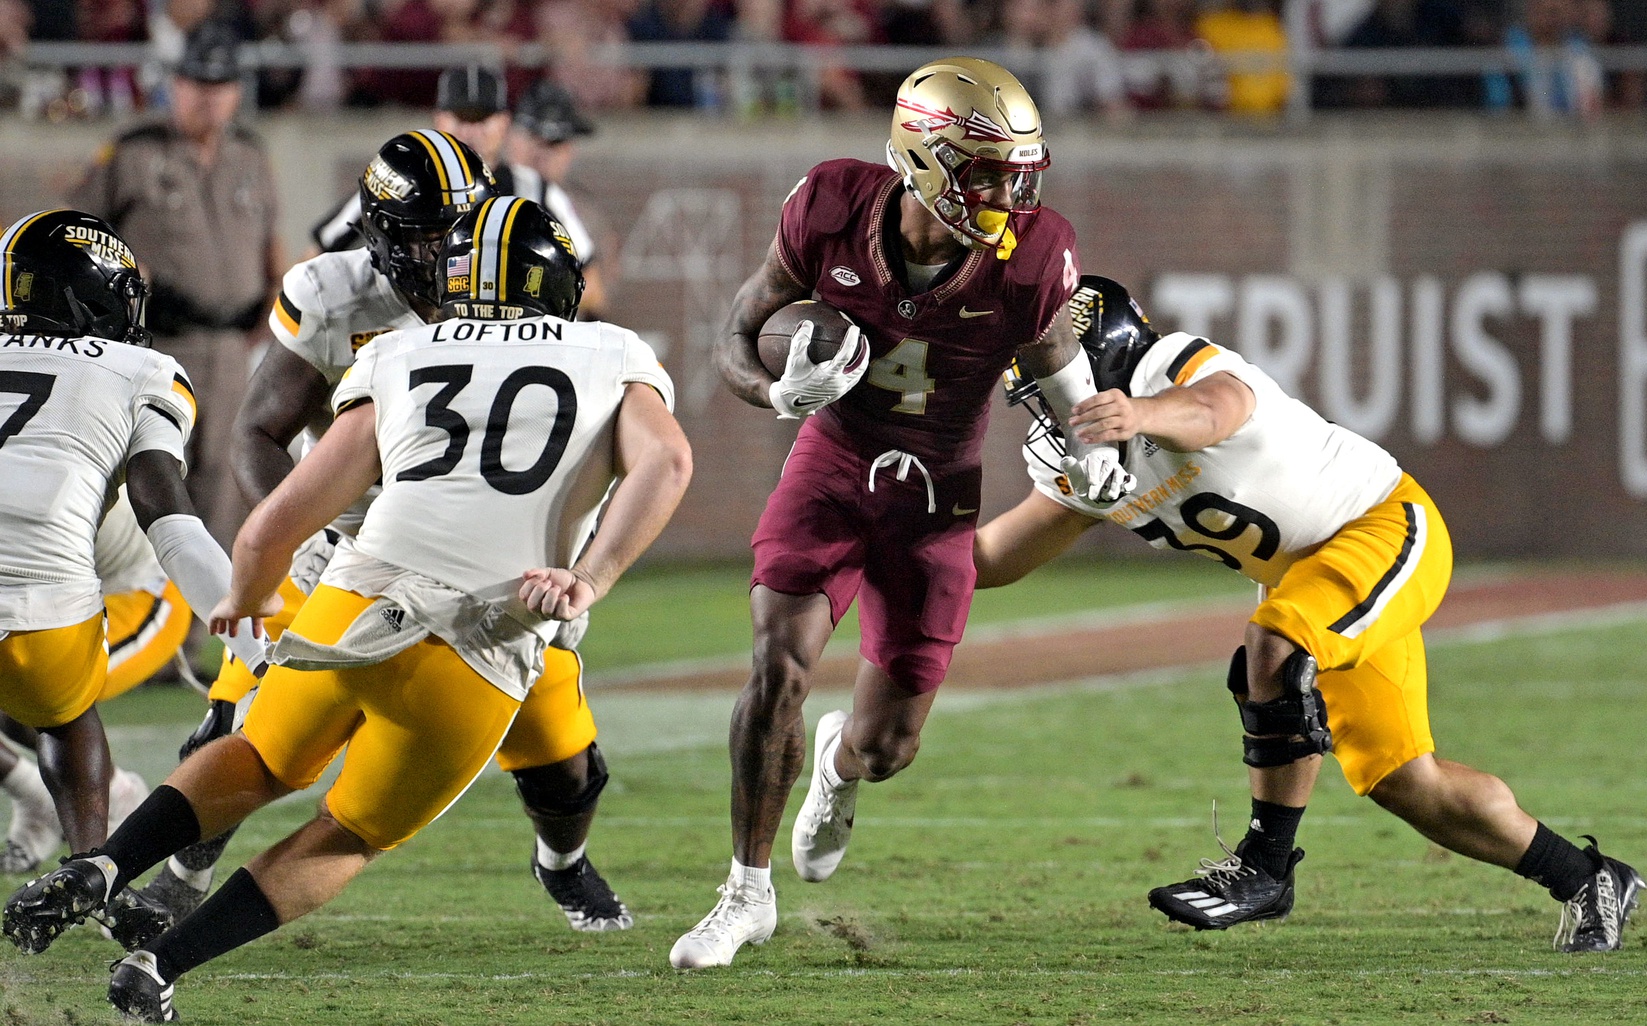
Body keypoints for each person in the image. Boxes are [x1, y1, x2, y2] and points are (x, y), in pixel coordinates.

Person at [1, 195, 692, 1023]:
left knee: (254, 755)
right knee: (347, 832)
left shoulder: (400, 352)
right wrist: (595, 575)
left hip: (350, 600)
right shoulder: (612, 352)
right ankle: (160, 963)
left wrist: (249, 597)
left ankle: (106, 865)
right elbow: (670, 463)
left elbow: (281, 514)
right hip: (480, 640)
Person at [973, 275, 1643, 953]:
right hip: (1310, 578)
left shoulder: (1170, 366)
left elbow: (1214, 409)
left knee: (1273, 644)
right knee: (1406, 783)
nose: (1049, 409)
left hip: (1382, 526)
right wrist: (890, 536)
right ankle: (1591, 878)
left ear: (1100, 358)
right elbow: (992, 559)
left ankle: (1264, 866)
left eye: (1055, 381)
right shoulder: (1080, 460)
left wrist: (1138, 415)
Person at [669, 56, 1132, 970]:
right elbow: (732, 334)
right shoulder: (830, 207)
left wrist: (1095, 450)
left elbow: (1054, 369)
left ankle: (839, 763)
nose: (1007, 191)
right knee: (776, 662)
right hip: (832, 467)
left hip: (936, 500)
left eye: (1017, 171)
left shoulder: (1035, 255)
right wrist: (774, 393)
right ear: (924, 157)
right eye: (986, 169)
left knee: (888, 747)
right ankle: (743, 895)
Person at [163, 131, 636, 933]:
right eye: (425, 233)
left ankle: (562, 863)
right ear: (379, 231)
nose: (447, 250)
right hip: (348, 548)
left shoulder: (513, 287)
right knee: (239, 725)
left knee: (565, 768)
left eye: (462, 225)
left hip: (494, 567)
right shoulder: (331, 294)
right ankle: (172, 879)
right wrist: (307, 529)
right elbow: (257, 432)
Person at [0, 208, 268, 955]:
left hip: (121, 593)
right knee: (62, 707)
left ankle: (84, 851)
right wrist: (248, 632)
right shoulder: (140, 370)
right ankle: (95, 864)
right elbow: (167, 511)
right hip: (53, 624)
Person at [70, 21, 283, 554]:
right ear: (175, 84)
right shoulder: (134, 152)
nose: (207, 98)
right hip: (159, 344)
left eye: (220, 86)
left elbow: (270, 244)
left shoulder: (250, 156)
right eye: (196, 84)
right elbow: (71, 234)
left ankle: (204, 622)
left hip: (234, 346)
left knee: (223, 481)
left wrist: (274, 305)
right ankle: (147, 609)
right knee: (153, 473)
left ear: (236, 92)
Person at [0, 491, 176, 874]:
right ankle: (36, 796)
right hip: (50, 592)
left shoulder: (25, 480)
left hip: (136, 593)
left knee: (28, 687)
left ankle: (117, 803)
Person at [312, 65, 534, 255]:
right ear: (439, 119)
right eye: (461, 117)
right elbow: (316, 255)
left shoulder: (535, 190)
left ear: (505, 122)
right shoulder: (399, 181)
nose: (470, 130)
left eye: (481, 118)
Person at [508, 78, 611, 320]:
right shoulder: (543, 195)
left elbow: (593, 291)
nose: (545, 153)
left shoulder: (556, 199)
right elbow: (593, 290)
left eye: (558, 144)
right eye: (538, 139)